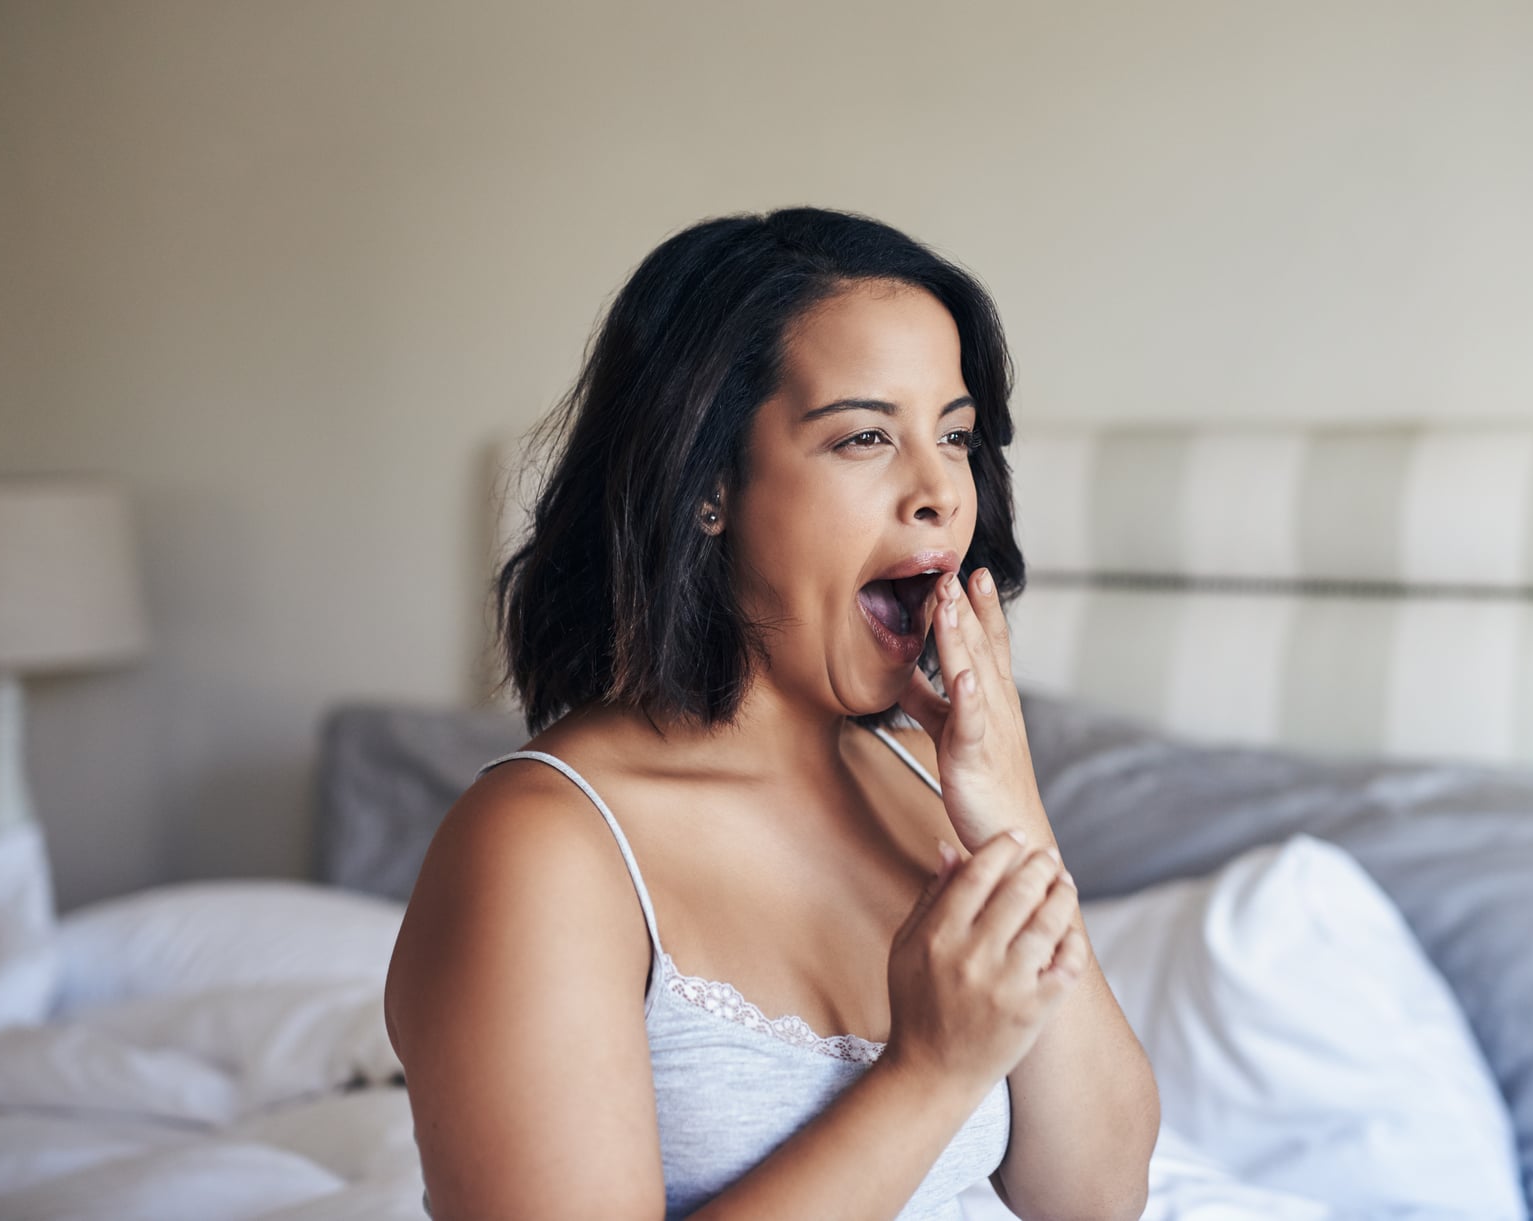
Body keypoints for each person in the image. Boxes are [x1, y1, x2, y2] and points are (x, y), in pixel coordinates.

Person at [385, 206, 1158, 1220]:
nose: (937, 492)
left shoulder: (930, 790)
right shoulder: (541, 846)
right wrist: (926, 1073)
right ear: (709, 483)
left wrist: (1010, 806)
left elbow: (1094, 1198)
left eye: (955, 436)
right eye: (863, 437)